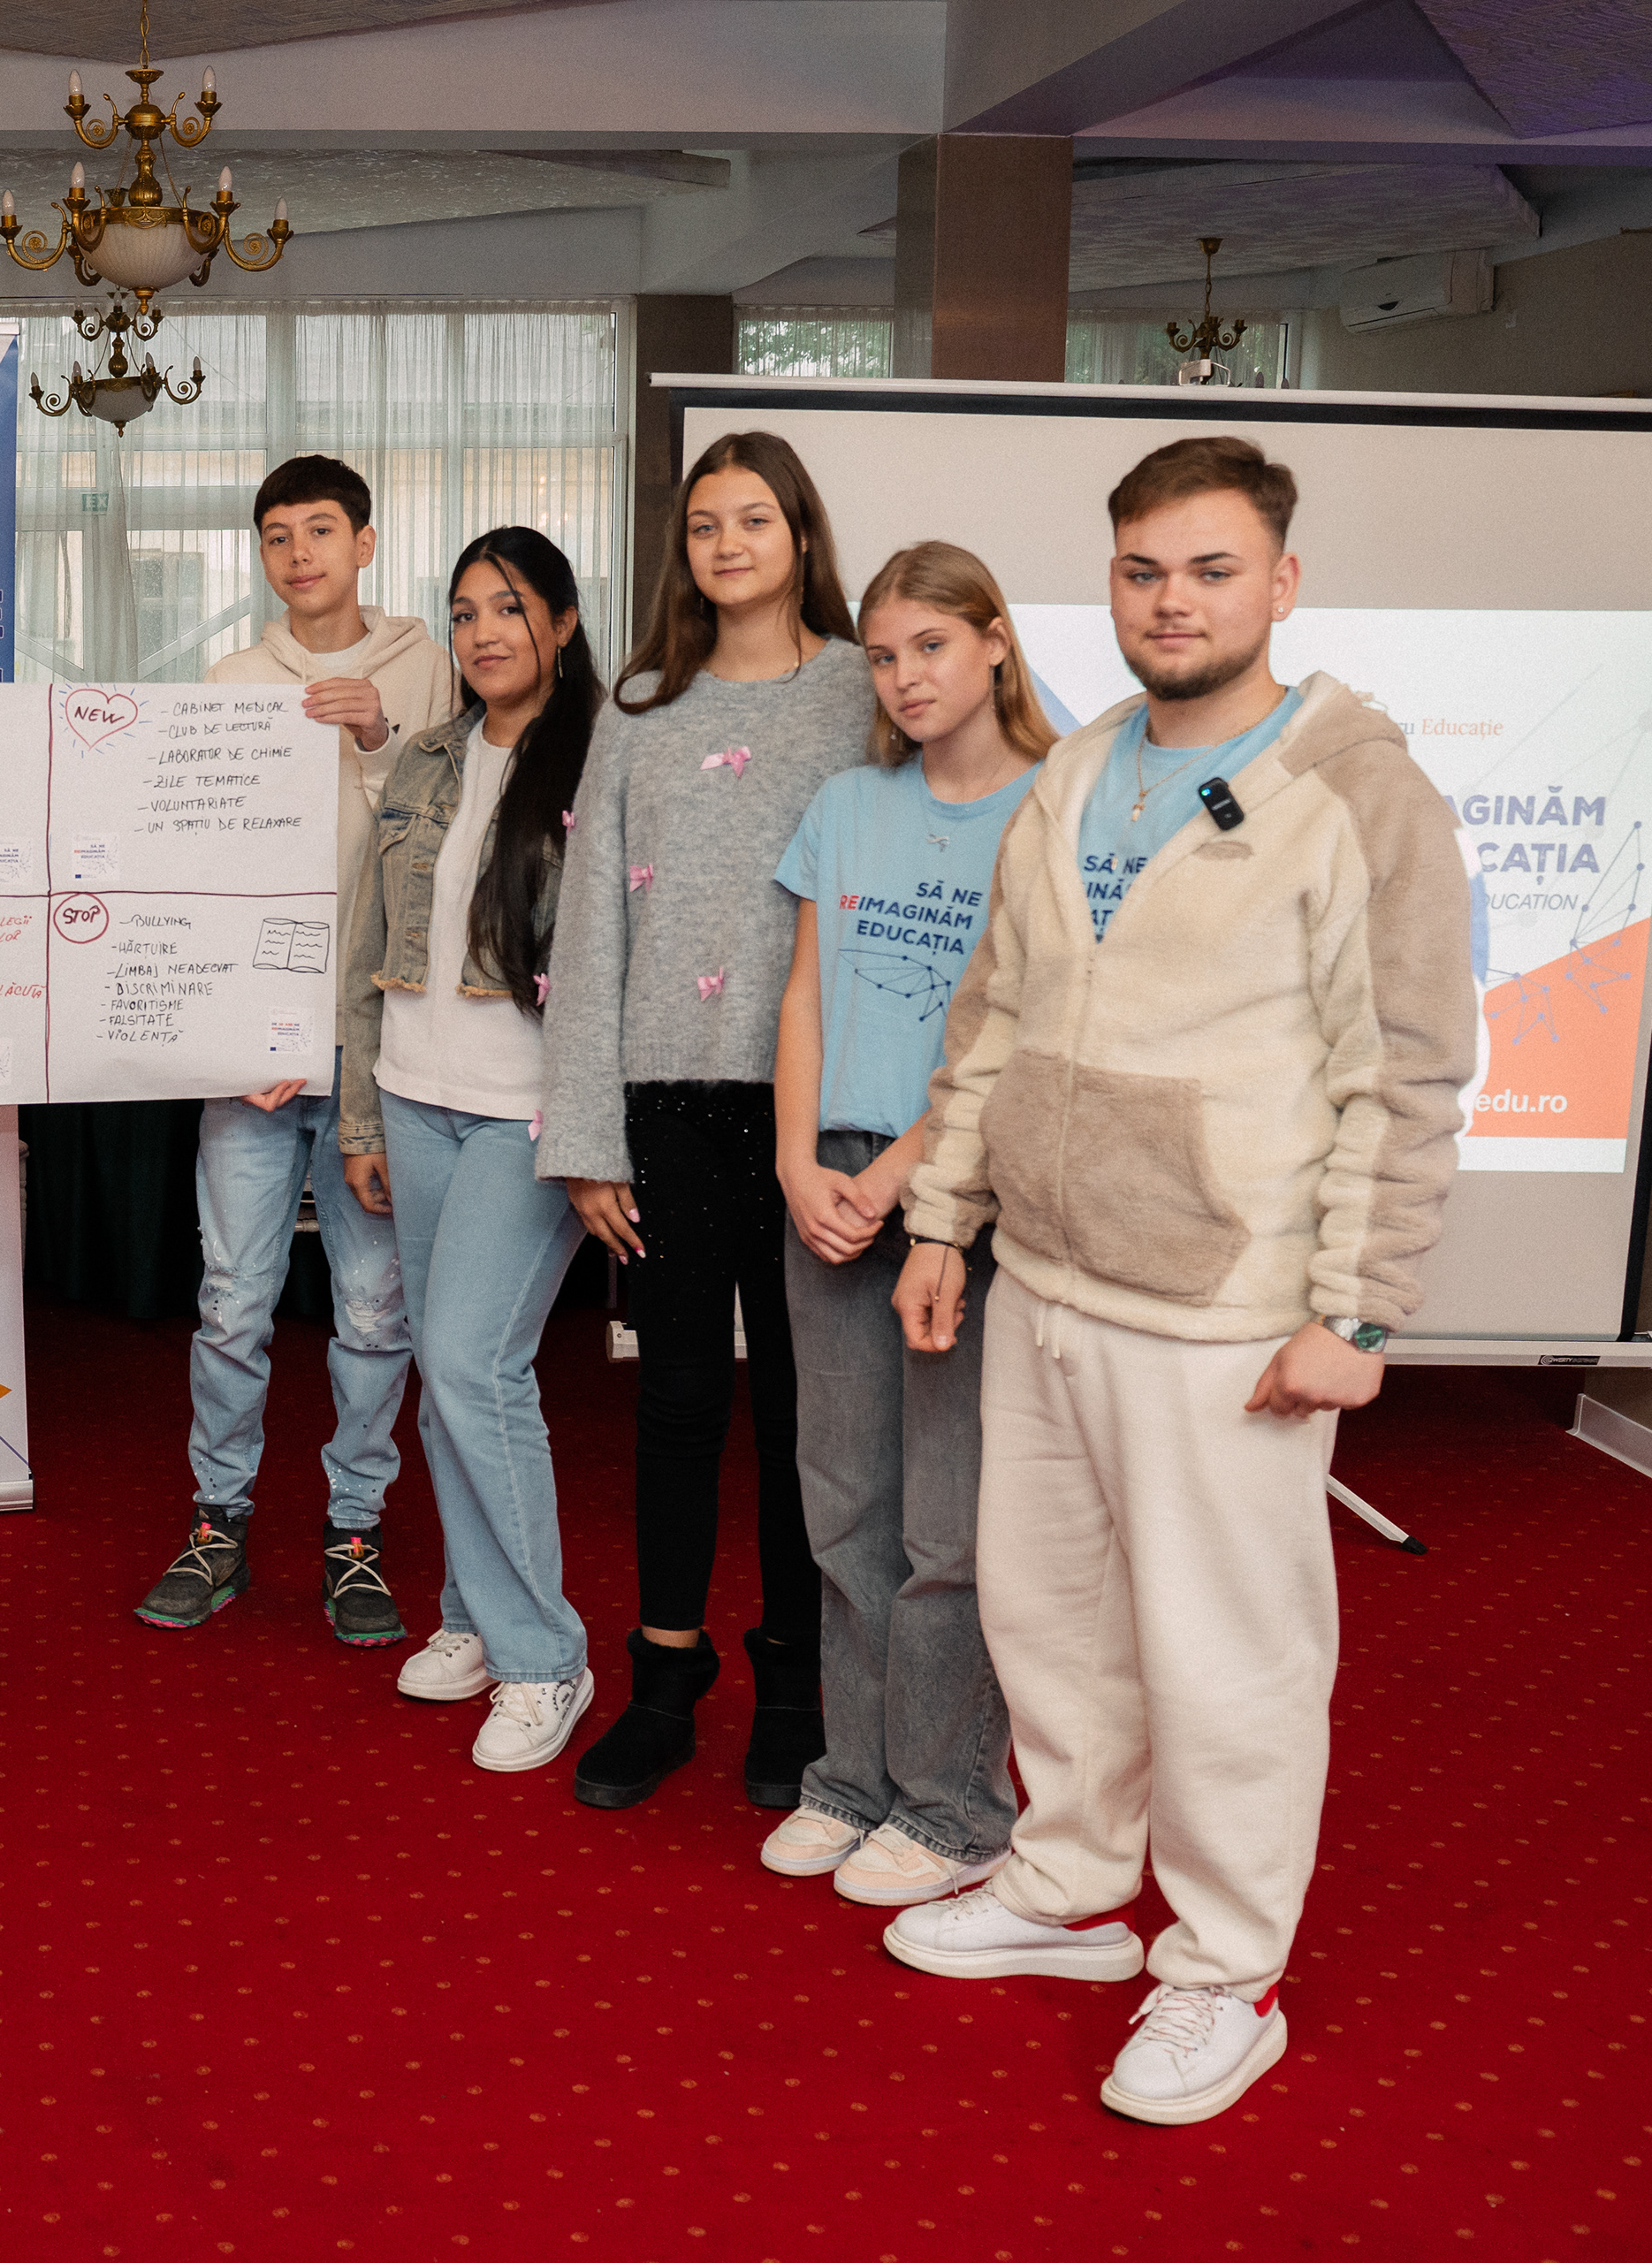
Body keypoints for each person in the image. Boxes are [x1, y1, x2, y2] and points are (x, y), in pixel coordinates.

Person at [879, 437, 1472, 2128]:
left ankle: (1227, 1972)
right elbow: (995, 1016)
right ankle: (1073, 1891)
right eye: (1144, 572)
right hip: (1049, 1282)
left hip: (1228, 1312)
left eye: (1211, 571)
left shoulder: (1361, 794)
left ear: (1280, 582)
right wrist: (944, 1220)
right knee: (1050, 1626)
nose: (1173, 602)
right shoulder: (1075, 772)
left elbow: (1406, 1072)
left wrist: (1356, 1311)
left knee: (1228, 1662)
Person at [536, 430, 868, 1810]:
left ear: (802, 535)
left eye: (754, 520)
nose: (728, 545)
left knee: (804, 1413)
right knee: (675, 1401)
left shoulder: (865, 691)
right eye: (705, 524)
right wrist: (585, 1137)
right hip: (665, 1100)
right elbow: (590, 924)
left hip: (822, 1108)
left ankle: (796, 1686)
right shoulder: (641, 703)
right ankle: (664, 1683)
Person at [758, 542, 1052, 1906]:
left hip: (964, 1193)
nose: (906, 677)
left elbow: (1021, 1033)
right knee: (844, 1511)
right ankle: (853, 1781)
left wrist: (901, 1180)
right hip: (829, 1181)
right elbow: (806, 998)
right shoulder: (847, 803)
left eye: (931, 645)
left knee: (948, 1527)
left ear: (994, 641)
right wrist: (796, 1162)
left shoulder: (1054, 810)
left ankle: (952, 1807)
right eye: (883, 655)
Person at [139, 453, 458, 1646]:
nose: (298, 554)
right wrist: (232, 1021)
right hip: (255, 1053)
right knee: (232, 1301)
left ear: (365, 543)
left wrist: (378, 736)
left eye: (320, 530)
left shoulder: (430, 668)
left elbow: (447, 850)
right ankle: (217, 1517)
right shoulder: (230, 678)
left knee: (374, 1310)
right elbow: (203, 862)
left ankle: (354, 1529)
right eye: (277, 535)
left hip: (384, 1051)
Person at [339, 528, 597, 1765]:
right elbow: (370, 942)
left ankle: (547, 1656)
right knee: (449, 1385)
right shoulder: (428, 757)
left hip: (526, 1112)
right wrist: (361, 1113)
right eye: (462, 612)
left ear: (561, 621)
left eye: (507, 607)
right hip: (413, 1094)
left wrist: (598, 1133)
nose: (483, 632)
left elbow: (612, 968)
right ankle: (474, 1618)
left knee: (471, 1364)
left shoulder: (598, 761)